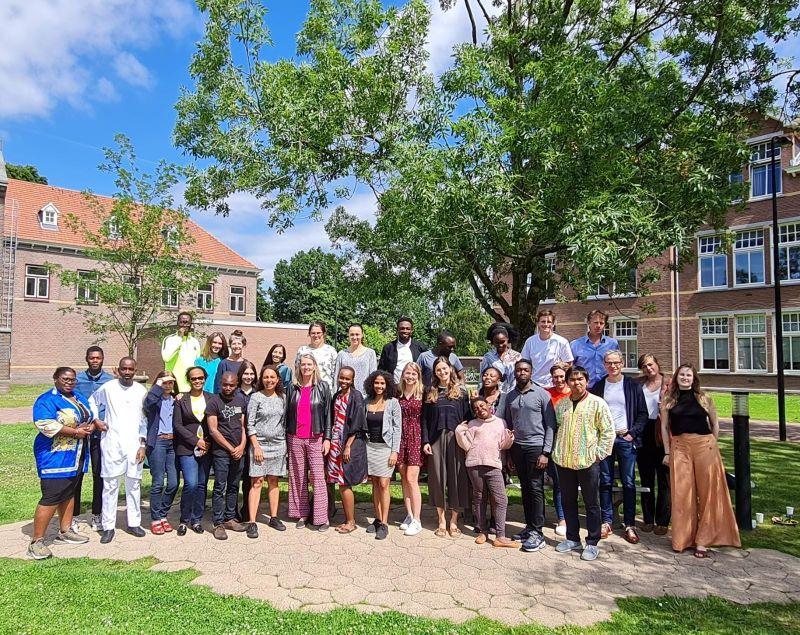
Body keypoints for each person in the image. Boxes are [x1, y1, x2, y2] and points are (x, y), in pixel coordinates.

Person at [660, 363, 740, 558]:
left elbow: (715, 424)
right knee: (682, 494)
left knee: (708, 493)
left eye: (688, 375)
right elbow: (664, 428)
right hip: (680, 447)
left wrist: (712, 443)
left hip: (705, 446)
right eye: (682, 375)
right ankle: (683, 539)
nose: (685, 378)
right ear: (677, 378)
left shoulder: (704, 398)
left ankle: (703, 541)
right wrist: (667, 452)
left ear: (694, 378)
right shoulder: (668, 400)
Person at [28, 367, 95, 559]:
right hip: (54, 454)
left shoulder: (78, 397)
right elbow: (44, 424)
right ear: (56, 379)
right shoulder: (47, 400)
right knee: (52, 495)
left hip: (76, 454)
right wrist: (75, 432)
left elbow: (87, 416)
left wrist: (89, 425)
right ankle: (37, 541)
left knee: (69, 491)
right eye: (65, 379)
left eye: (72, 379)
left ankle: (65, 531)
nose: (69, 382)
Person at [552, 366, 615, 562]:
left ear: (586, 381)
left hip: (587, 461)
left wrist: (598, 455)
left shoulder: (597, 403)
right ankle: (572, 538)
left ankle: (592, 542)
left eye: (580, 379)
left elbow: (608, 431)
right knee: (568, 501)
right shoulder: (561, 404)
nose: (576, 383)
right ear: (567, 382)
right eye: (572, 379)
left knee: (591, 503)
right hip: (564, 461)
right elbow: (555, 429)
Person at [590, 350, 648, 544]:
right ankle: (606, 521)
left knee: (628, 482)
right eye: (608, 363)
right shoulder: (599, 386)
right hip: (605, 440)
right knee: (605, 480)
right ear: (604, 364)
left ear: (622, 363)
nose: (612, 366)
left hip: (625, 439)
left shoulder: (632, 385)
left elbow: (642, 413)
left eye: (616, 362)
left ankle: (629, 523)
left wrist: (632, 434)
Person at [90, 357, 148, 544]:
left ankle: (134, 523)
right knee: (110, 486)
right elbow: (91, 401)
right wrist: (96, 419)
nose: (127, 372)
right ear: (118, 370)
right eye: (124, 369)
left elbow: (144, 419)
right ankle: (108, 526)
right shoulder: (108, 387)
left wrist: (142, 444)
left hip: (134, 444)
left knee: (134, 485)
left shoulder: (141, 390)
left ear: (135, 370)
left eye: (131, 369)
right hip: (112, 443)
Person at [503, 359, 557, 553]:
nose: (522, 373)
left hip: (536, 448)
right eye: (518, 370)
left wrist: (546, 452)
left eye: (525, 370)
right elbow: (508, 426)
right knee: (525, 488)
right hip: (518, 448)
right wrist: (509, 452)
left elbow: (551, 425)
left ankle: (538, 532)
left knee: (535, 488)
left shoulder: (542, 395)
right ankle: (529, 527)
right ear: (515, 373)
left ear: (531, 372)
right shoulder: (510, 397)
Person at [456, 396, 517, 547]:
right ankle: (482, 530)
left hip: (494, 465)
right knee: (479, 498)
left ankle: (500, 535)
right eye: (476, 408)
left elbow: (504, 445)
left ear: (489, 405)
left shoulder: (500, 423)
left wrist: (509, 438)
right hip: (474, 464)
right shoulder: (472, 424)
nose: (480, 410)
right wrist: (459, 431)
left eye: (482, 406)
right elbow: (466, 445)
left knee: (500, 499)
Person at [422, 357, 471, 537]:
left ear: (450, 370)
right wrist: (425, 441)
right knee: (437, 479)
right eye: (438, 370)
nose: (442, 372)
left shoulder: (461, 392)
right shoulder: (430, 391)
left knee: (457, 478)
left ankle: (454, 521)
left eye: (445, 369)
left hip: (455, 439)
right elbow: (424, 419)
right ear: (435, 373)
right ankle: (441, 520)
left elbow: (468, 417)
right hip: (435, 439)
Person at [286, 353, 332, 530]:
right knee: (297, 477)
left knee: (318, 478)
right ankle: (302, 514)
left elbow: (329, 414)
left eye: (309, 364)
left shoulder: (322, 387)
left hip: (316, 438)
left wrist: (327, 438)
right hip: (295, 437)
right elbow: (287, 413)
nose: (306, 367)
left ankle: (322, 518)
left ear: (314, 366)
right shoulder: (292, 387)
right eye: (302, 364)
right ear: (298, 367)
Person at [73, 346, 114, 532]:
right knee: (77, 475)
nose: (95, 360)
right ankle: (73, 515)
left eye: (98, 357)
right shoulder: (78, 380)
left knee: (99, 474)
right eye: (92, 358)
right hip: (80, 433)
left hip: (100, 434)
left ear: (103, 359)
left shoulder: (110, 381)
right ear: (86, 359)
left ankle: (97, 513)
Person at [246, 365, 288, 538]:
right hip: (259, 446)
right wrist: (255, 445)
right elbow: (250, 424)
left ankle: (274, 517)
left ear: (278, 379)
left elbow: (284, 422)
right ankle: (252, 522)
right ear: (261, 379)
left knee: (273, 481)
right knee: (257, 482)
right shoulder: (256, 397)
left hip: (278, 446)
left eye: (272, 377)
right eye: (265, 377)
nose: (269, 380)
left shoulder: (283, 398)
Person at [207, 371, 248, 540]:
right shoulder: (214, 402)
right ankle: (218, 523)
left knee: (233, 486)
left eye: (231, 385)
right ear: (221, 384)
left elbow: (244, 426)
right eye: (225, 384)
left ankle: (230, 517)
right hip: (221, 452)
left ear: (237, 385)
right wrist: (231, 448)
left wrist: (242, 446)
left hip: (239, 451)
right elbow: (213, 430)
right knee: (220, 487)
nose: (228, 387)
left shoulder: (241, 400)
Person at [173, 366, 213, 535]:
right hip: (187, 448)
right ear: (189, 380)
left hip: (207, 449)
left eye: (200, 378)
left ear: (205, 378)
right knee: (190, 483)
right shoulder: (181, 400)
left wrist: (207, 443)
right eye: (194, 378)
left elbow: (216, 423)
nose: (197, 381)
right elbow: (177, 425)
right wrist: (196, 441)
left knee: (202, 485)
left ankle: (196, 519)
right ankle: (184, 519)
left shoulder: (212, 399)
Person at [328, 366, 368, 534]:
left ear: (353, 380)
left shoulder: (356, 397)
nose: (344, 381)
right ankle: (336, 514)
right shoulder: (337, 396)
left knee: (345, 483)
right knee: (336, 481)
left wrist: (348, 446)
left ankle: (351, 521)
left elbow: (358, 424)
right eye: (341, 378)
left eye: (347, 379)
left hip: (349, 443)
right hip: (336, 442)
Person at [363, 370, 402, 540]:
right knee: (375, 484)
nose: (379, 386)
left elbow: (397, 429)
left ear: (387, 385)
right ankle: (377, 519)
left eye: (382, 383)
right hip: (369, 447)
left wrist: (395, 451)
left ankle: (385, 523)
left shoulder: (393, 403)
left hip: (386, 448)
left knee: (384, 484)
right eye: (376, 383)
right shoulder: (366, 402)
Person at [637, 354, 671, 535]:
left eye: (650, 365)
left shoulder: (669, 383)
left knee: (665, 478)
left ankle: (663, 520)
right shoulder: (639, 384)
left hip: (662, 432)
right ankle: (648, 518)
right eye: (644, 366)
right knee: (646, 478)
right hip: (644, 432)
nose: (648, 369)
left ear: (657, 364)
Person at [143, 371, 179, 535]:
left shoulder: (176, 400)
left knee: (173, 483)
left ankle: (163, 513)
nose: (168, 385)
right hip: (158, 442)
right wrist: (158, 385)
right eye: (165, 382)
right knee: (158, 482)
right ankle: (156, 518)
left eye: (171, 382)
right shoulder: (153, 399)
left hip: (173, 444)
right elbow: (148, 403)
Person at [396, 362, 424, 536]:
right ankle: (409, 514)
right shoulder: (397, 393)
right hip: (400, 438)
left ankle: (418, 520)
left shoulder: (423, 393)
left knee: (412, 479)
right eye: (408, 373)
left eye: (414, 374)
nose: (410, 376)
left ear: (418, 376)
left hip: (416, 437)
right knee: (404, 479)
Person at [545, 363, 570, 537]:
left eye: (562, 376)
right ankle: (562, 518)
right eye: (555, 377)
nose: (559, 380)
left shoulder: (576, 392)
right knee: (559, 483)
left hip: (573, 444)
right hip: (554, 444)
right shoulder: (547, 394)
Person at [520, 310, 574, 388]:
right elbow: (524, 363)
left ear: (553, 324)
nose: (546, 324)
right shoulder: (530, 341)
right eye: (543, 321)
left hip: (554, 385)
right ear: (538, 323)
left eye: (549, 322)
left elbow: (569, 364)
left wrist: (560, 366)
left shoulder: (562, 342)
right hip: (534, 385)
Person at [570, 310, 620, 388]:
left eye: (602, 323)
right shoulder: (575, 344)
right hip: (584, 388)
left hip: (607, 387)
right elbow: (570, 368)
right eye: (596, 322)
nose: (598, 326)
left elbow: (618, 365)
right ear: (589, 323)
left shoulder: (612, 344)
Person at [236, 359, 258, 522]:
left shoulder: (258, 393)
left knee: (250, 478)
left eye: (251, 374)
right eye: (246, 373)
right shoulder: (234, 392)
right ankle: (232, 510)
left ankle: (247, 510)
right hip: (236, 441)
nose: (248, 377)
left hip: (254, 441)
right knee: (236, 477)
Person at [378, 316, 428, 384]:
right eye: (402, 328)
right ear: (397, 330)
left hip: (415, 388)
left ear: (412, 330)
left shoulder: (420, 347)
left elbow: (426, 369)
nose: (405, 331)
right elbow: (381, 370)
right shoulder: (388, 348)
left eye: (408, 329)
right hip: (394, 388)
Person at [161, 312, 202, 393]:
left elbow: (197, 364)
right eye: (182, 322)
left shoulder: (195, 342)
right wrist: (180, 338)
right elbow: (166, 358)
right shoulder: (169, 339)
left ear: (191, 324)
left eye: (187, 322)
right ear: (177, 323)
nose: (184, 325)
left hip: (189, 388)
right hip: (173, 387)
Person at [334, 323, 378, 396]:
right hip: (344, 396)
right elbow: (336, 377)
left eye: (357, 334)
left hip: (363, 396)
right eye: (352, 334)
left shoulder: (370, 353)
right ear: (348, 335)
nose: (354, 337)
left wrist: (372, 396)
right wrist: (335, 395)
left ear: (362, 335)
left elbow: (373, 377)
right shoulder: (341, 354)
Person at [479, 323, 521, 393]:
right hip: (494, 395)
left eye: (502, 342)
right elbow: (482, 378)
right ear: (492, 342)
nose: (500, 345)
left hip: (513, 393)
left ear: (508, 339)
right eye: (497, 342)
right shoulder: (488, 357)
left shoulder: (517, 356)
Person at [295, 321, 338, 389]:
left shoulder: (331, 351)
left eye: (318, 333)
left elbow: (335, 374)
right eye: (313, 333)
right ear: (309, 334)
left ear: (323, 334)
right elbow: (297, 371)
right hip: (306, 390)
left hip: (326, 391)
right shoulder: (302, 350)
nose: (316, 335)